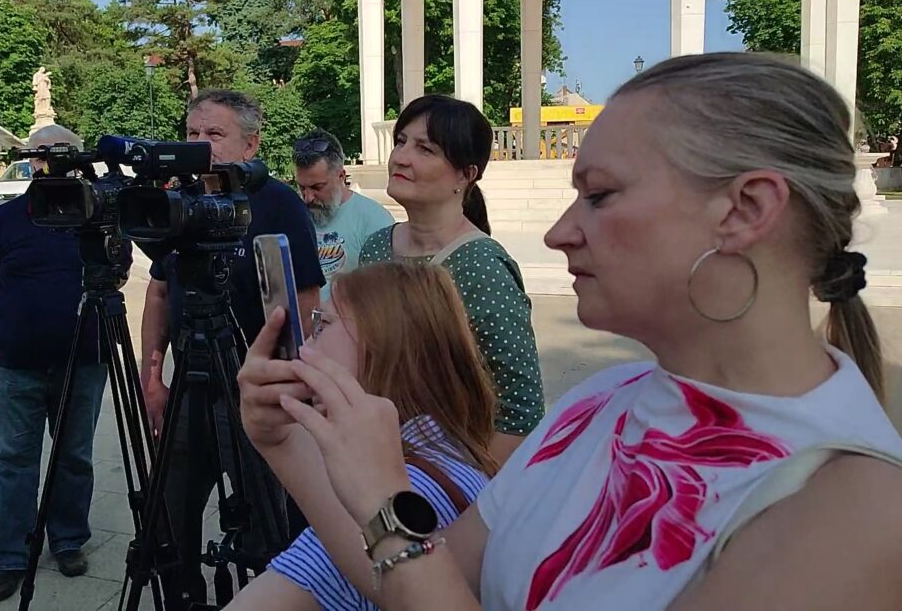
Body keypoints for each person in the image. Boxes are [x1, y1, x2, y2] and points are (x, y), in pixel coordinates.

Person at [247, 53, 902, 610]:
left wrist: (385, 496)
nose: (560, 233)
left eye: (601, 194)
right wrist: (286, 445)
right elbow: (420, 582)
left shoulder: (855, 507)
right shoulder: (602, 402)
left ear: (747, 209)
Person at [230, 261, 500, 611]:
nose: (305, 344)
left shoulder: (386, 500)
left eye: (322, 324)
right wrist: (282, 441)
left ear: (384, 344)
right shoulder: (453, 456)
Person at [139, 88, 325, 596]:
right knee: (169, 514)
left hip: (254, 388)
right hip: (189, 383)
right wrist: (152, 375)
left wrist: (289, 380)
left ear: (251, 144)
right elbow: (159, 291)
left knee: (266, 520)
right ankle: (181, 595)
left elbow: (304, 299)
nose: (200, 143)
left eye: (215, 133)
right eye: (192, 132)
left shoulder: (278, 203)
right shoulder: (178, 199)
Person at [0, 124, 129, 600]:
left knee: (73, 455)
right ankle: (12, 555)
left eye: (58, 154)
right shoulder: (4, 219)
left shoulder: (99, 214)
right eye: (40, 154)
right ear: (31, 160)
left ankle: (68, 540)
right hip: (16, 361)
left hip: (84, 358)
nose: (49, 163)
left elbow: (118, 272)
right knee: (13, 460)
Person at [358, 94, 544, 463]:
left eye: (425, 149)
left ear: (466, 174)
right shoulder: (376, 247)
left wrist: (459, 486)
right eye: (401, 141)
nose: (401, 157)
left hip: (443, 476)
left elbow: (521, 410)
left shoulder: (481, 266)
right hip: (373, 461)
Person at [293, 130, 396, 301]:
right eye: (302, 187)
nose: (308, 197)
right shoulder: (293, 217)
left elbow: (383, 295)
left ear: (341, 176)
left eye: (317, 187)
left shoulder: (375, 220)